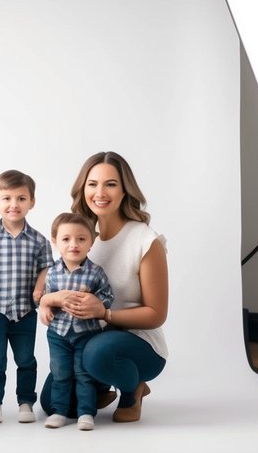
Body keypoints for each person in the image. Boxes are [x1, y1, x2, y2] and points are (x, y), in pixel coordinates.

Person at [39, 151, 168, 422]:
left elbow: (156, 314)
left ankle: (134, 388)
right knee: (52, 402)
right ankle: (95, 385)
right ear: (82, 189)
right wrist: (48, 301)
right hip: (85, 338)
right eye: (92, 184)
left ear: (125, 191)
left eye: (110, 184)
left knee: (96, 353)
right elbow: (53, 282)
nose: (100, 192)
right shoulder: (80, 237)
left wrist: (105, 313)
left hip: (137, 344)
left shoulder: (145, 240)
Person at [0, 170, 53, 424]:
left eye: (21, 198)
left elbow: (47, 269)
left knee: (26, 359)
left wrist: (40, 291)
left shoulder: (39, 241)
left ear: (32, 202)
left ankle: (25, 402)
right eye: (6, 198)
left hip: (25, 311)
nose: (13, 205)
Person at [39, 213, 114, 431]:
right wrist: (45, 307)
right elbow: (45, 296)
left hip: (86, 333)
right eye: (66, 239)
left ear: (91, 241)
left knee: (83, 374)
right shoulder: (51, 272)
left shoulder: (96, 273)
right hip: (58, 333)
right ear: (55, 242)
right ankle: (60, 411)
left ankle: (86, 413)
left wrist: (98, 303)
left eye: (81, 239)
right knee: (60, 372)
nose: (74, 244)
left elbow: (108, 297)